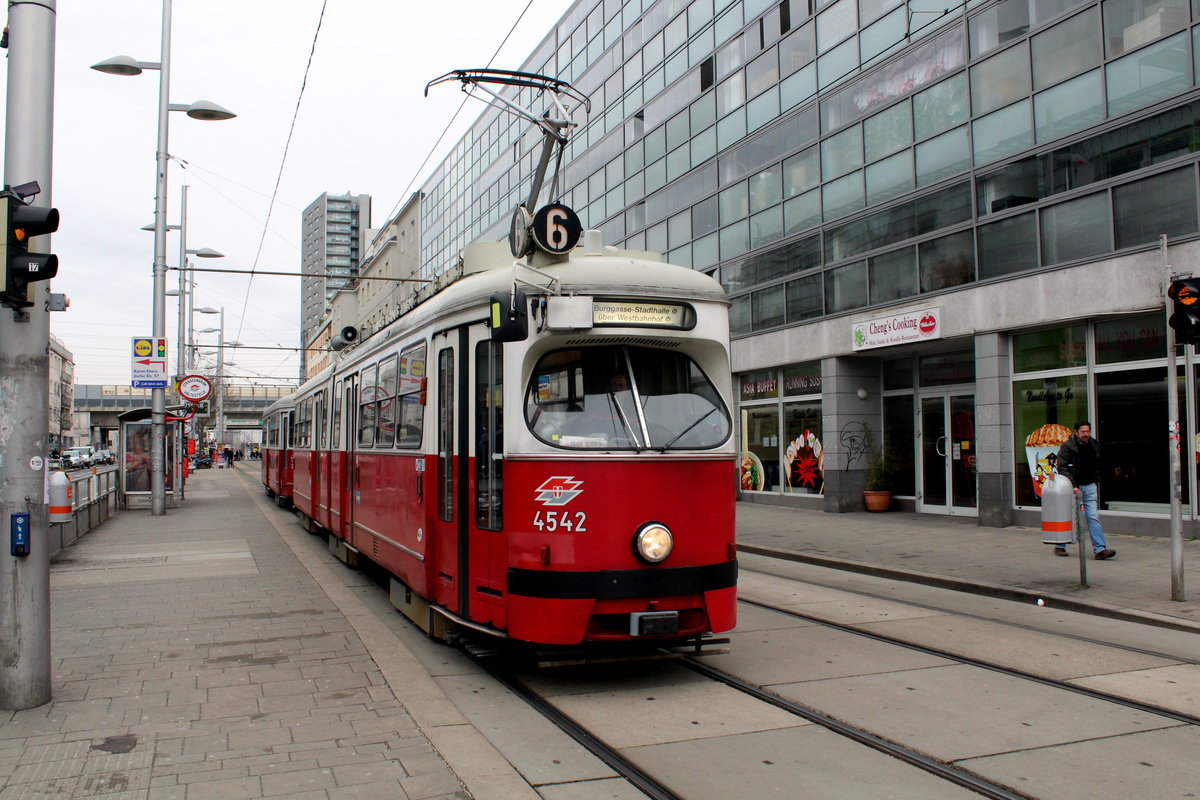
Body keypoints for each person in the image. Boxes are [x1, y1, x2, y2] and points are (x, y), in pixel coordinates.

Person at [1052, 421, 1115, 560]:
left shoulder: (1094, 445)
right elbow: (1062, 467)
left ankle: (1100, 549)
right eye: (1083, 432)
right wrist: (1072, 485)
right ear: (1076, 432)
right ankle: (1060, 545)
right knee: (1068, 516)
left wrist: (1095, 480)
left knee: (1093, 516)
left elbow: (1099, 464)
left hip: (1090, 486)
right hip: (1073, 487)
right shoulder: (1067, 446)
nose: (1086, 434)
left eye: (1088, 431)